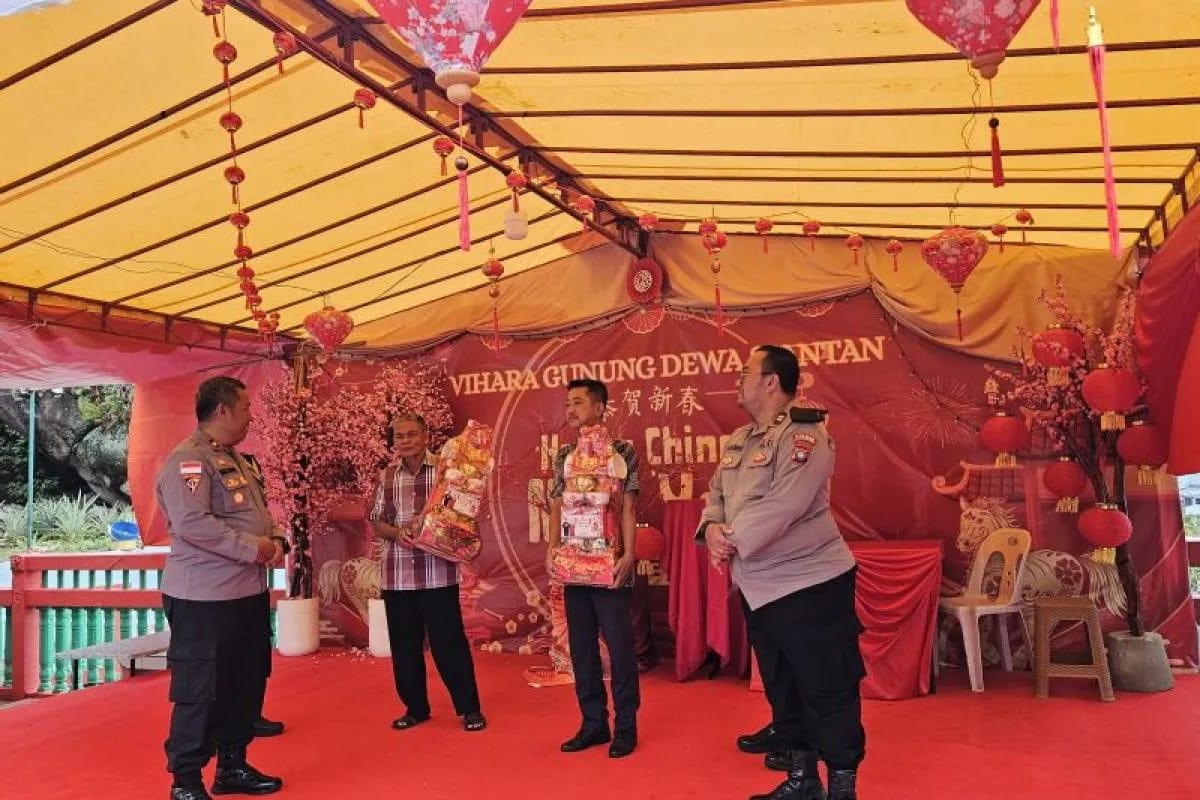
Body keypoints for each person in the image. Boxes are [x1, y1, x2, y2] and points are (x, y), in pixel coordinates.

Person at [698, 346, 866, 800]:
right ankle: (802, 779)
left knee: (827, 688)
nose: (738, 379)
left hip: (809, 583)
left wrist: (729, 542)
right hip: (759, 586)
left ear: (772, 381)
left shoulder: (805, 436)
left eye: (745, 372)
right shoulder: (739, 439)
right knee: (783, 685)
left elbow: (784, 505)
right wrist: (712, 527)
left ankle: (842, 787)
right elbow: (716, 491)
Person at [156, 376, 285, 800]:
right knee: (200, 689)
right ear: (224, 410)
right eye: (247, 408)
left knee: (244, 682)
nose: (252, 416)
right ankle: (186, 781)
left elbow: (259, 515)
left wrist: (276, 541)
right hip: (203, 598)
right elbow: (193, 524)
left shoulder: (237, 460)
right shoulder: (188, 461)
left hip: (245, 593)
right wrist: (254, 549)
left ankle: (232, 765)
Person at [368, 413, 486, 734]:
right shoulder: (387, 476)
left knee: (449, 644)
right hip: (398, 576)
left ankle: (469, 708)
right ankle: (415, 708)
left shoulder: (448, 470)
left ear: (424, 435)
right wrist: (397, 533)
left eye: (410, 434)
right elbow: (377, 520)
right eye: (398, 436)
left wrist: (436, 528)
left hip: (439, 574)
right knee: (405, 647)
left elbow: (462, 513)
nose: (404, 441)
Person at [547, 378, 641, 759]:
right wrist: (553, 548)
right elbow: (557, 505)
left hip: (610, 566)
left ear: (601, 408)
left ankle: (626, 728)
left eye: (580, 403)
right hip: (573, 566)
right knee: (581, 649)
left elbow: (630, 507)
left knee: (619, 648)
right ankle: (593, 724)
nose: (572, 410)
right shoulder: (565, 456)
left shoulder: (622, 452)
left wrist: (629, 555)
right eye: (568, 403)